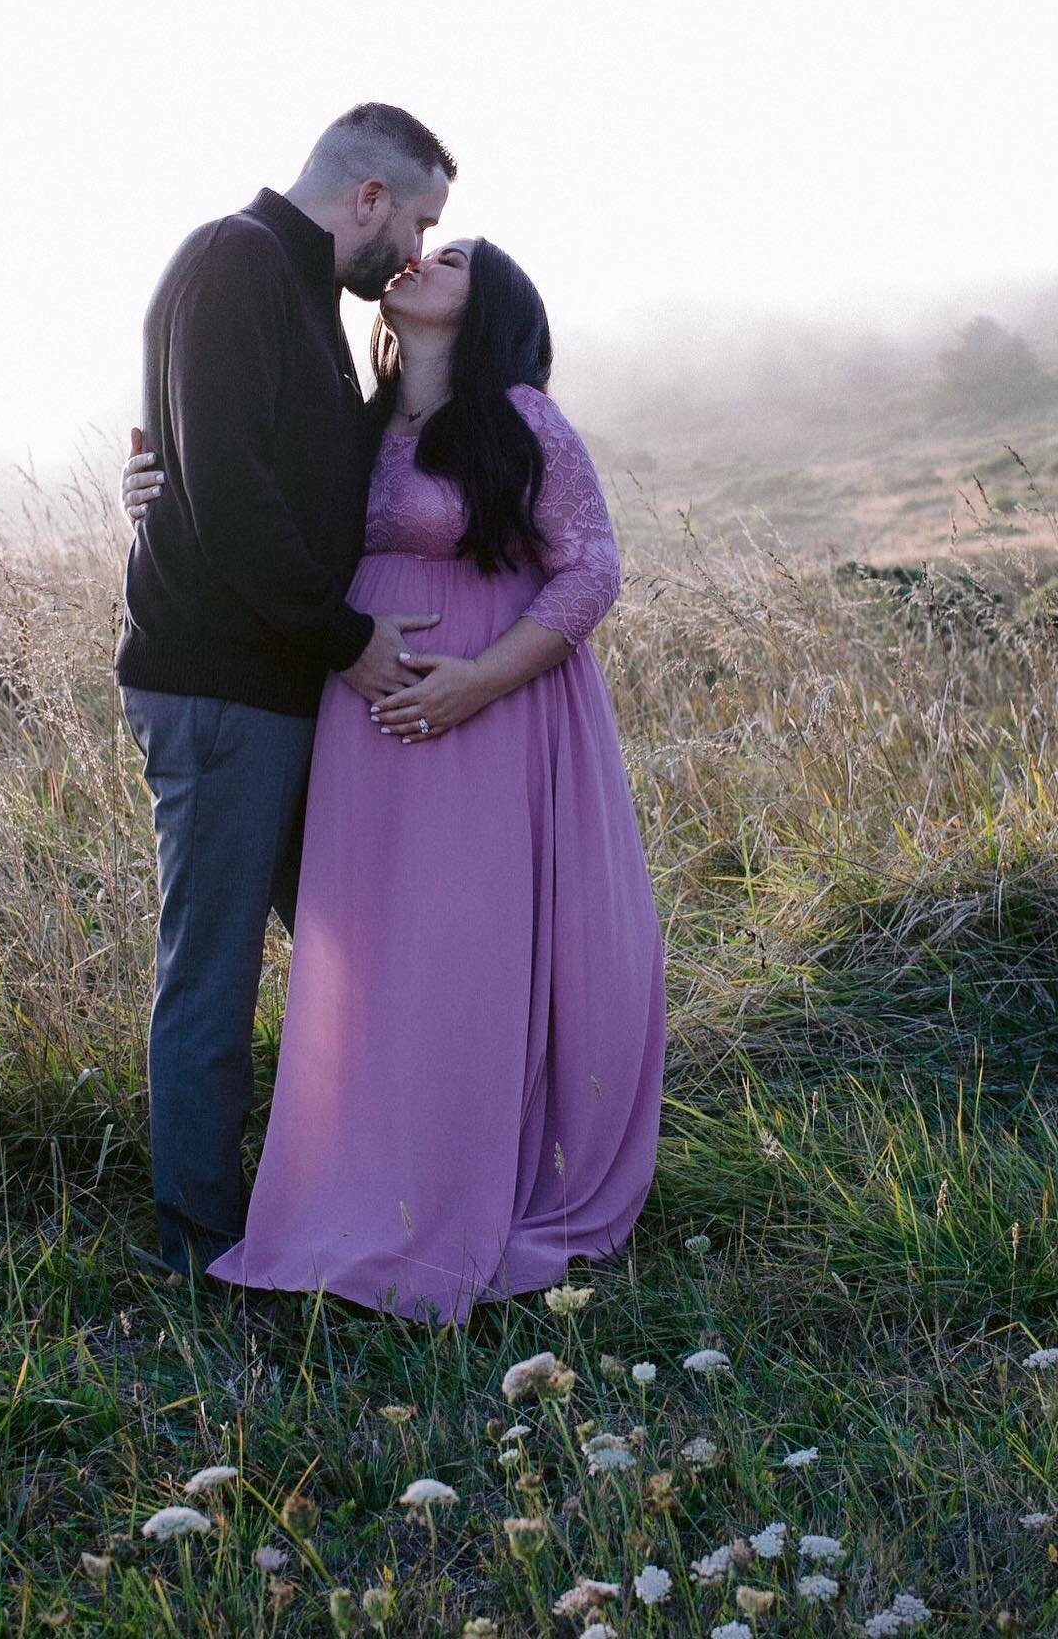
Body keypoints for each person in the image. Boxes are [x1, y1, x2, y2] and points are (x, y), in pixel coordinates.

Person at [125, 237, 668, 1326]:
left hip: (485, 713)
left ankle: (469, 1191)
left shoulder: (519, 417)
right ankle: (355, 1184)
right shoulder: (357, 424)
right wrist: (158, 487)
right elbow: (251, 508)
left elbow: (595, 564)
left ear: (494, 302)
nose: (421, 258)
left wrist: (478, 682)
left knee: (460, 947)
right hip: (362, 717)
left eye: (455, 255)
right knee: (379, 951)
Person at [115, 103, 455, 1280]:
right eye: (417, 220)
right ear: (367, 196)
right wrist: (348, 638)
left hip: (276, 685)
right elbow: (230, 494)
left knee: (353, 940)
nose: (415, 249)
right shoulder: (234, 262)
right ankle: (202, 1251)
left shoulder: (301, 294)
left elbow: (285, 476)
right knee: (211, 970)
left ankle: (354, 1194)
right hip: (219, 687)